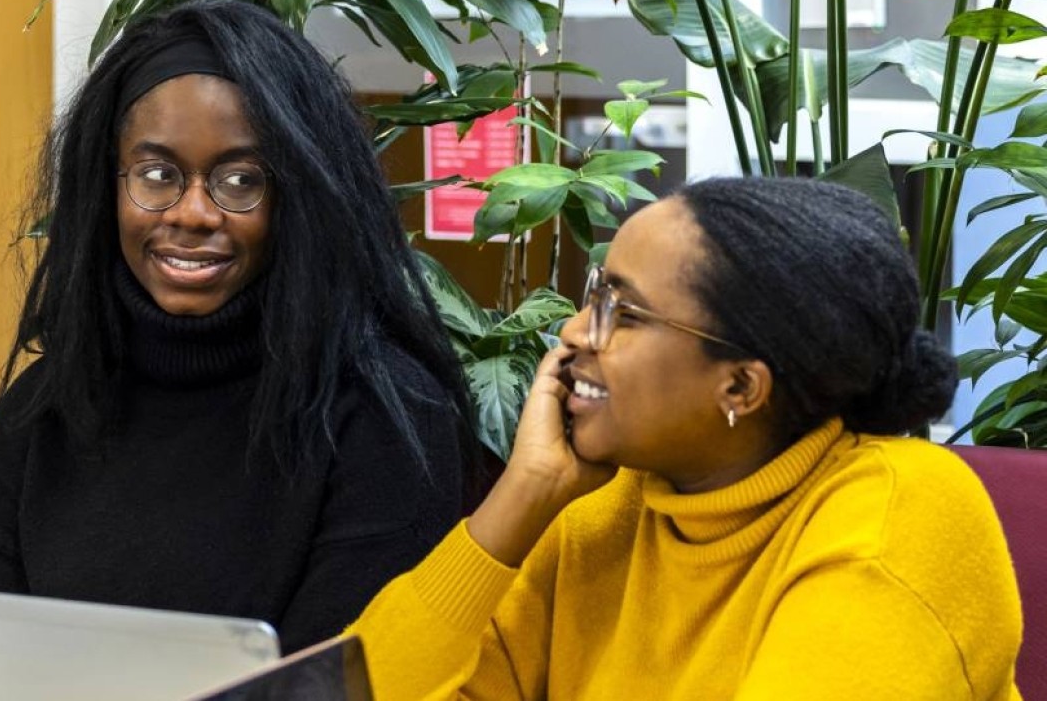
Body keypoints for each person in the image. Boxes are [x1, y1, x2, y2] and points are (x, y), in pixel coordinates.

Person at [348, 177, 1023, 698]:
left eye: (626, 313)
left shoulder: (896, 516)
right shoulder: (602, 509)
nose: (575, 333)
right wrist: (522, 498)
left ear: (741, 388)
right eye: (594, 296)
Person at [0, 0, 480, 653]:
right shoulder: (40, 412)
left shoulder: (387, 420)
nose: (194, 213)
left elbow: (330, 688)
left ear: (296, 196)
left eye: (240, 180)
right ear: (107, 187)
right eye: (157, 175)